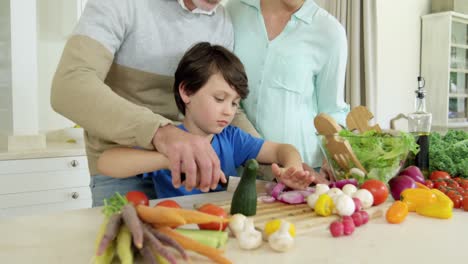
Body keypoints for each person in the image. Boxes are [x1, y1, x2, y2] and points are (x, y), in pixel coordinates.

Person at [51, 0, 259, 207]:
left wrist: (273, 168)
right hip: (123, 170)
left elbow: (229, 105)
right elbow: (69, 86)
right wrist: (162, 132)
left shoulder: (221, 21)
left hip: (188, 171)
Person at [97, 42, 315, 198]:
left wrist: (292, 170)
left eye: (234, 103)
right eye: (220, 99)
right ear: (187, 92)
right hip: (176, 229)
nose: (229, 111)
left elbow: (283, 150)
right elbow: (106, 162)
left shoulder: (233, 139)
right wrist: (170, 159)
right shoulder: (170, 141)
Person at [226, 0, 350, 182]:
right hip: (241, 168)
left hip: (301, 173)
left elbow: (333, 111)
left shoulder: (330, 32)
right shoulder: (234, 10)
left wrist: (329, 161)